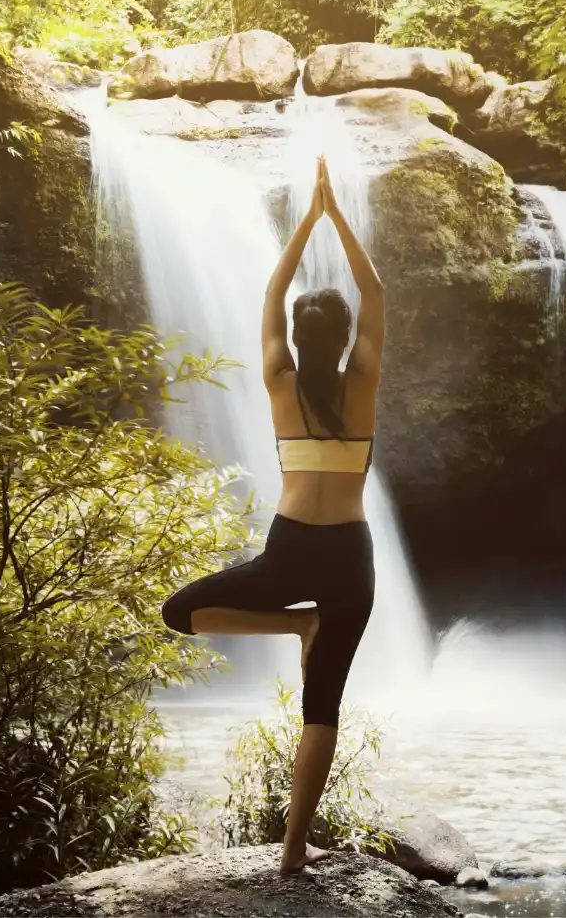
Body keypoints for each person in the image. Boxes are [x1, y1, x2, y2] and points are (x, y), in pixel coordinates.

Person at [161, 154, 385, 874]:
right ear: (346, 337)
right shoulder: (365, 384)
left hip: (289, 552)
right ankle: (293, 852)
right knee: (322, 707)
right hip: (350, 555)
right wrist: (338, 217)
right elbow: (374, 291)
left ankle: (295, 622)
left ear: (297, 336)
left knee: (178, 611)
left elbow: (272, 292)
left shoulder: (278, 381)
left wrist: (304, 224)